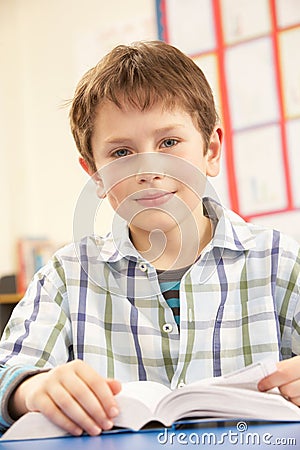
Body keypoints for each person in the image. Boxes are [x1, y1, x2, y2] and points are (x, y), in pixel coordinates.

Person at [0, 40, 299, 437]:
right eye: (122, 152)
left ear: (210, 150)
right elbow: (8, 371)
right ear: (96, 175)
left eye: (169, 143)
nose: (148, 168)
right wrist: (30, 388)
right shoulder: (65, 277)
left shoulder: (279, 260)